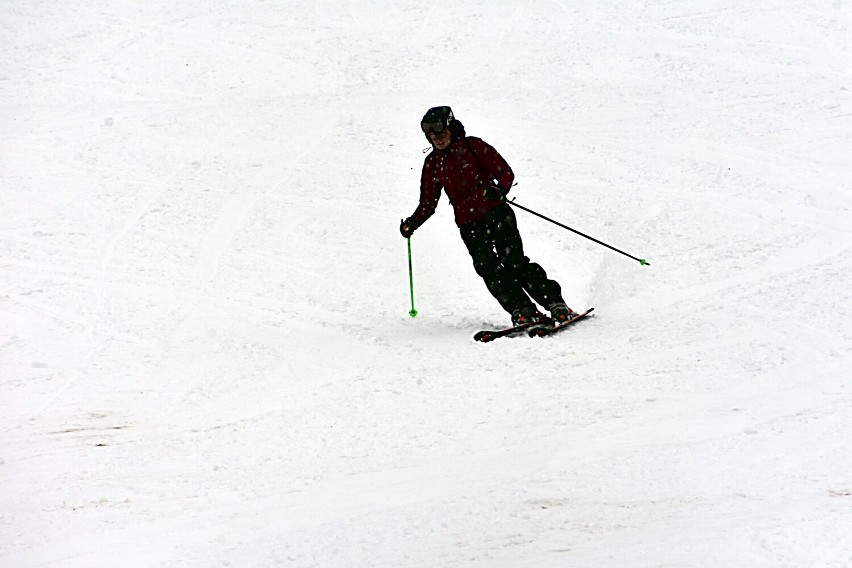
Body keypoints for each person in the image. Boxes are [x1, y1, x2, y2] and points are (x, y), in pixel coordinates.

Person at [400, 106, 577, 327]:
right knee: (488, 268)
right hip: (469, 224)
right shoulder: (433, 164)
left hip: (497, 214)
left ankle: (554, 302)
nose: (437, 139)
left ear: (451, 127)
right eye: (431, 135)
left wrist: (500, 190)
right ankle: (522, 310)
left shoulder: (473, 146)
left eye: (441, 132)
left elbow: (504, 172)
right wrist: (412, 223)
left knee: (513, 261)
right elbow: (428, 203)